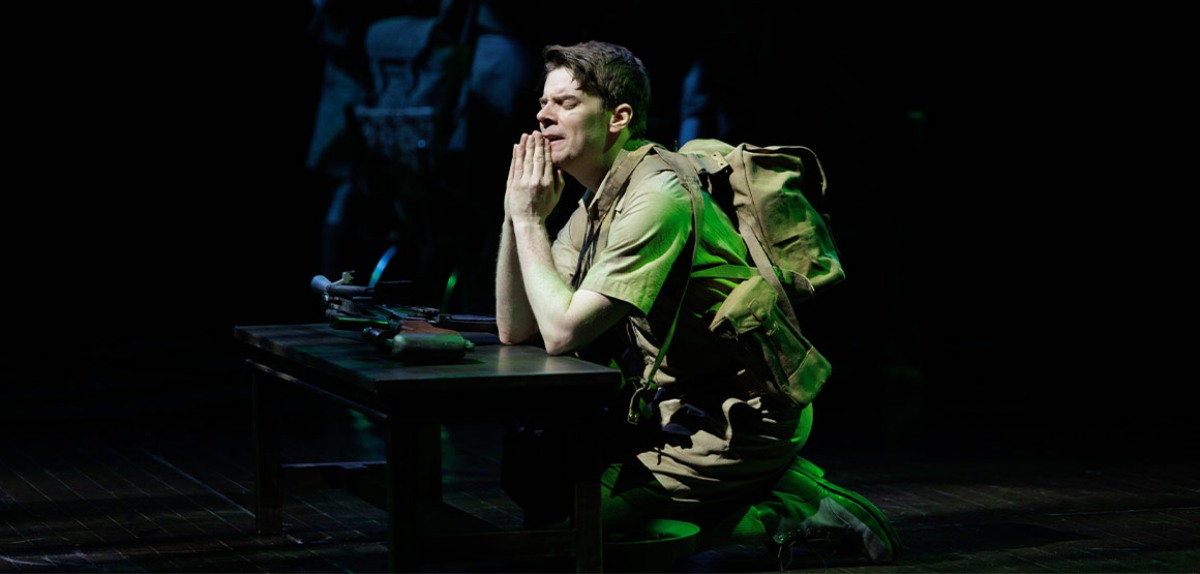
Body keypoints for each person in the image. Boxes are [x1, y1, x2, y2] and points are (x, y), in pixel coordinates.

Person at [495, 40, 901, 568]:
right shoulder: (598, 201)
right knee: (549, 509)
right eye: (543, 103)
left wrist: (529, 221)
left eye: (566, 103)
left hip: (744, 416)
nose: (543, 115)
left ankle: (793, 508)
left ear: (619, 117)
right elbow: (519, 328)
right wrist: (515, 216)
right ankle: (762, 485)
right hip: (678, 409)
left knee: (576, 534)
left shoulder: (657, 198)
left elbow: (562, 332)